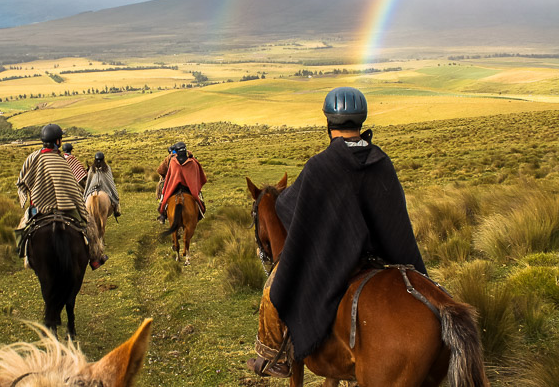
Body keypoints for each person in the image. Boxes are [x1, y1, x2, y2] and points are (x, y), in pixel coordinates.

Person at [247, 87, 427, 377]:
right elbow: (395, 220)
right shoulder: (381, 161)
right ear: (361, 122)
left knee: (272, 289)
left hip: (334, 259)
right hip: (379, 260)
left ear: (328, 124)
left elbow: (291, 208)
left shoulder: (320, 166)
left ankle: (273, 356)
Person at [16, 124, 90, 263]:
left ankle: (22, 254)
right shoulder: (62, 161)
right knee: (89, 228)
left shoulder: (32, 158)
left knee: (23, 229)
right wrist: (83, 212)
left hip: (38, 208)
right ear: (57, 141)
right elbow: (73, 190)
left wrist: (25, 196)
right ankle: (96, 258)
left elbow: (21, 182)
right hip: (65, 207)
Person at [156, 142, 207, 223]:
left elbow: (161, 170)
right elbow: (198, 171)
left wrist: (165, 177)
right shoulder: (192, 161)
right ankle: (201, 211)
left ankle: (162, 214)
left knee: (164, 196)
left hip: (174, 186)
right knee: (198, 197)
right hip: (189, 186)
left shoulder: (171, 160)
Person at [83, 151, 121, 218]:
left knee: (85, 198)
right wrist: (115, 195)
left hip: (92, 188)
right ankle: (117, 210)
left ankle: (83, 211)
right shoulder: (107, 168)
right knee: (114, 197)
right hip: (105, 188)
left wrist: (85, 195)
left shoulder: (92, 168)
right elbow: (110, 182)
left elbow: (88, 182)